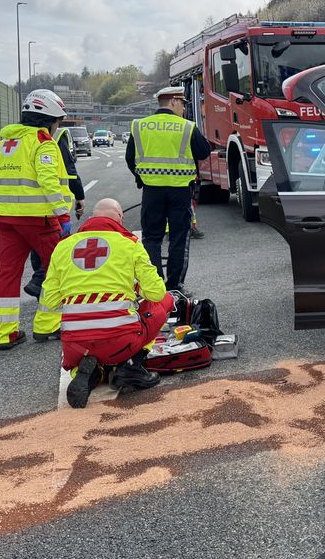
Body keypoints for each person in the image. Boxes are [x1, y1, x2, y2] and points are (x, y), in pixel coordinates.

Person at [41, 198, 170, 408]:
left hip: (76, 345)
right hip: (121, 341)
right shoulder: (129, 244)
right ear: (120, 218)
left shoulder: (62, 247)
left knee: (87, 348)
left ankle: (89, 373)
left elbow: (50, 299)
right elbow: (156, 292)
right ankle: (131, 366)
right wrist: (133, 288)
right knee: (164, 301)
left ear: (91, 219)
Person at [0, 89, 70, 350]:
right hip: (39, 220)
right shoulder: (42, 143)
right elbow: (48, 181)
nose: (57, 128)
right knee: (56, 271)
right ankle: (46, 325)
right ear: (48, 119)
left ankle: (7, 333)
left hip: (5, 220)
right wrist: (63, 213)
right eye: (57, 121)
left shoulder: (2, 145)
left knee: (8, 274)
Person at [126, 86, 211, 294]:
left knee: (151, 239)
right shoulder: (187, 127)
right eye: (182, 104)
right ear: (173, 101)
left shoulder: (139, 126)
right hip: (180, 192)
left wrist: (141, 177)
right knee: (178, 239)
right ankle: (175, 287)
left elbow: (130, 158)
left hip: (151, 191)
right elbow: (203, 152)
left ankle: (155, 286)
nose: (184, 109)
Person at [24, 125, 85, 298]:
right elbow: (69, 172)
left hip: (22, 208)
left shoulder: (17, 138)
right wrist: (79, 196)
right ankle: (44, 288)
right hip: (51, 207)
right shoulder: (56, 136)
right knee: (57, 254)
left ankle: (40, 287)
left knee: (37, 252)